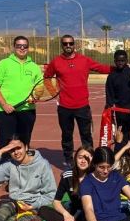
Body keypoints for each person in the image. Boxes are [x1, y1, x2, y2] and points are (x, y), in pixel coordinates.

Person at [45, 35, 112, 167]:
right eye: (65, 44)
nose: (68, 46)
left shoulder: (84, 60)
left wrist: (119, 68)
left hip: (82, 106)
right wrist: (54, 93)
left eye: (70, 43)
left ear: (74, 45)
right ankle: (68, 159)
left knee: (86, 135)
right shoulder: (56, 62)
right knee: (66, 135)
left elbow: (101, 68)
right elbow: (46, 77)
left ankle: (90, 159)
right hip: (64, 107)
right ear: (62, 45)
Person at [0, 36, 43, 151]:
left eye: (25, 46)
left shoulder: (34, 67)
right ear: (14, 47)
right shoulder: (4, 64)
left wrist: (36, 96)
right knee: (5, 145)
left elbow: (39, 86)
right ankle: (2, 167)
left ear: (28, 48)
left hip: (27, 111)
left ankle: (22, 169)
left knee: (23, 145)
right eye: (19, 46)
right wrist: (4, 105)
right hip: (5, 112)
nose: (22, 48)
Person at [38, 145, 93, 221]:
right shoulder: (67, 176)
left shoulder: (96, 175)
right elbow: (56, 201)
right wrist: (66, 215)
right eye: (80, 157)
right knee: (43, 210)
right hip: (74, 211)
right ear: (75, 159)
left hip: (92, 213)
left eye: (87, 158)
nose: (83, 161)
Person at [105, 50, 130, 147]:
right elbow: (109, 95)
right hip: (121, 110)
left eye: (123, 60)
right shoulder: (111, 76)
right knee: (122, 134)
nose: (120, 62)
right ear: (114, 61)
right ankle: (122, 154)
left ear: (126, 60)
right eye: (118, 60)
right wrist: (109, 109)